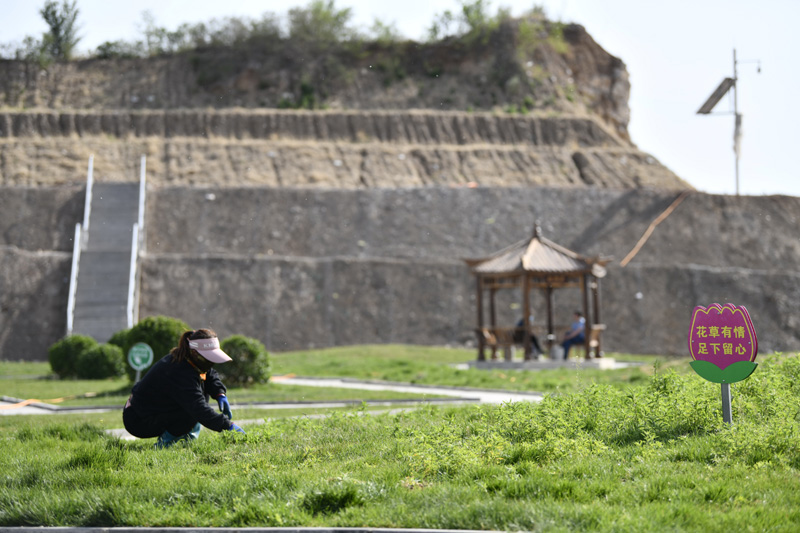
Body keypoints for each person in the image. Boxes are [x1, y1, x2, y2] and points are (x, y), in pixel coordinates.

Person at [123, 328, 245, 448]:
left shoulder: (190, 360)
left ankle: (184, 436)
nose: (210, 363)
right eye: (208, 358)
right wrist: (228, 425)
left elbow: (210, 374)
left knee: (199, 396)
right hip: (138, 419)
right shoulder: (178, 371)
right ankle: (166, 442)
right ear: (195, 353)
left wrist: (220, 394)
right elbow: (198, 409)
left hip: (154, 411)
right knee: (191, 412)